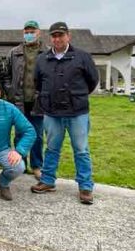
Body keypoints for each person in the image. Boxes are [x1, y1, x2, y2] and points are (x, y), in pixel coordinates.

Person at [31, 21, 99, 205]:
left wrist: (77, 96)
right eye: (54, 35)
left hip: (77, 112)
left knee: (81, 150)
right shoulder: (42, 59)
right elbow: (38, 83)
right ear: (50, 38)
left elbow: (92, 81)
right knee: (52, 148)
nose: (57, 38)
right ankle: (47, 181)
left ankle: (85, 187)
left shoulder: (82, 57)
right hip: (52, 113)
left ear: (68, 36)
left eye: (61, 35)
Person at [7, 20, 44, 177]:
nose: (29, 34)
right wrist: (10, 91)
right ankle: (21, 163)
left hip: (38, 101)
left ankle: (37, 166)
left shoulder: (46, 52)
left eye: (32, 31)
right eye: (26, 31)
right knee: (20, 134)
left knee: (37, 134)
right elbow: (6, 75)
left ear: (38, 32)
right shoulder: (14, 52)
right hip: (18, 100)